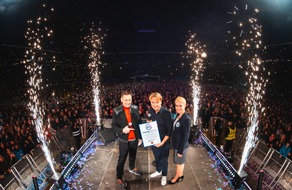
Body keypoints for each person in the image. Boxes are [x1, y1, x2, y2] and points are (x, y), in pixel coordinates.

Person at [112, 91, 143, 189]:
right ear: (121, 99)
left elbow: (139, 122)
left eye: (129, 100)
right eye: (126, 100)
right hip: (124, 140)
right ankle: (119, 176)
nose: (128, 102)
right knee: (122, 159)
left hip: (134, 138)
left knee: (133, 154)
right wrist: (122, 130)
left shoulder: (135, 108)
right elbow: (113, 126)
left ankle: (131, 167)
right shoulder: (116, 111)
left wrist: (140, 137)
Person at [148, 92, 173, 186]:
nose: (155, 104)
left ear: (161, 101)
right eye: (152, 102)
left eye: (157, 102)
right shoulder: (151, 111)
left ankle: (164, 175)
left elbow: (169, 131)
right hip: (154, 141)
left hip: (164, 141)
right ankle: (158, 170)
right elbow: (149, 123)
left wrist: (162, 142)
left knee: (164, 159)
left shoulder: (167, 113)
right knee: (157, 157)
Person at [168, 96, 191, 185]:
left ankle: (177, 177)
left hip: (181, 146)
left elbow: (186, 136)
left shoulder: (186, 119)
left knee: (179, 163)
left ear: (185, 105)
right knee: (180, 162)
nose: (178, 108)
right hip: (177, 144)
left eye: (180, 106)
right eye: (176, 106)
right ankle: (180, 175)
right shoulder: (178, 115)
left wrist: (181, 150)